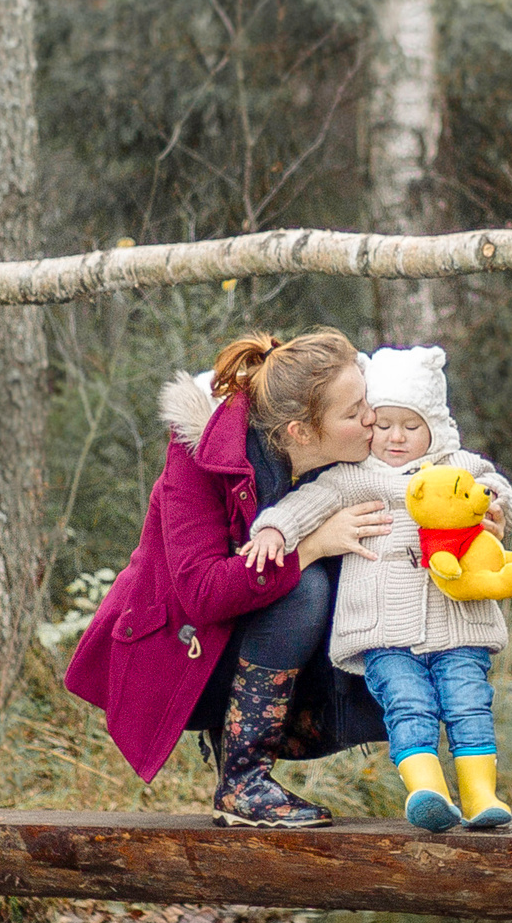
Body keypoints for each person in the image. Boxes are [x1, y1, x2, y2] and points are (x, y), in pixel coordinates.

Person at [65, 328, 394, 827]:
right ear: (299, 432)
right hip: (183, 653)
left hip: (251, 646)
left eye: (365, 401)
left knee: (331, 577)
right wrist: (310, 547)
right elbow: (202, 594)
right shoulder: (199, 460)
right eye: (353, 413)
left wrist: (486, 512)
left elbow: (427, 478)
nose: (370, 418)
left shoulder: (350, 452)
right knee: (303, 588)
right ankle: (242, 782)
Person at [239, 346, 512, 833]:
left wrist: (496, 508)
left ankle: (481, 796)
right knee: (407, 705)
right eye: (384, 424)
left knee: (469, 702)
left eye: (411, 427)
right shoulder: (354, 477)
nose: (395, 438)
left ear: (434, 426)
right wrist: (273, 531)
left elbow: (498, 489)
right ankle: (426, 791)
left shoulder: (457, 466)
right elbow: (307, 503)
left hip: (459, 623)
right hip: (384, 630)